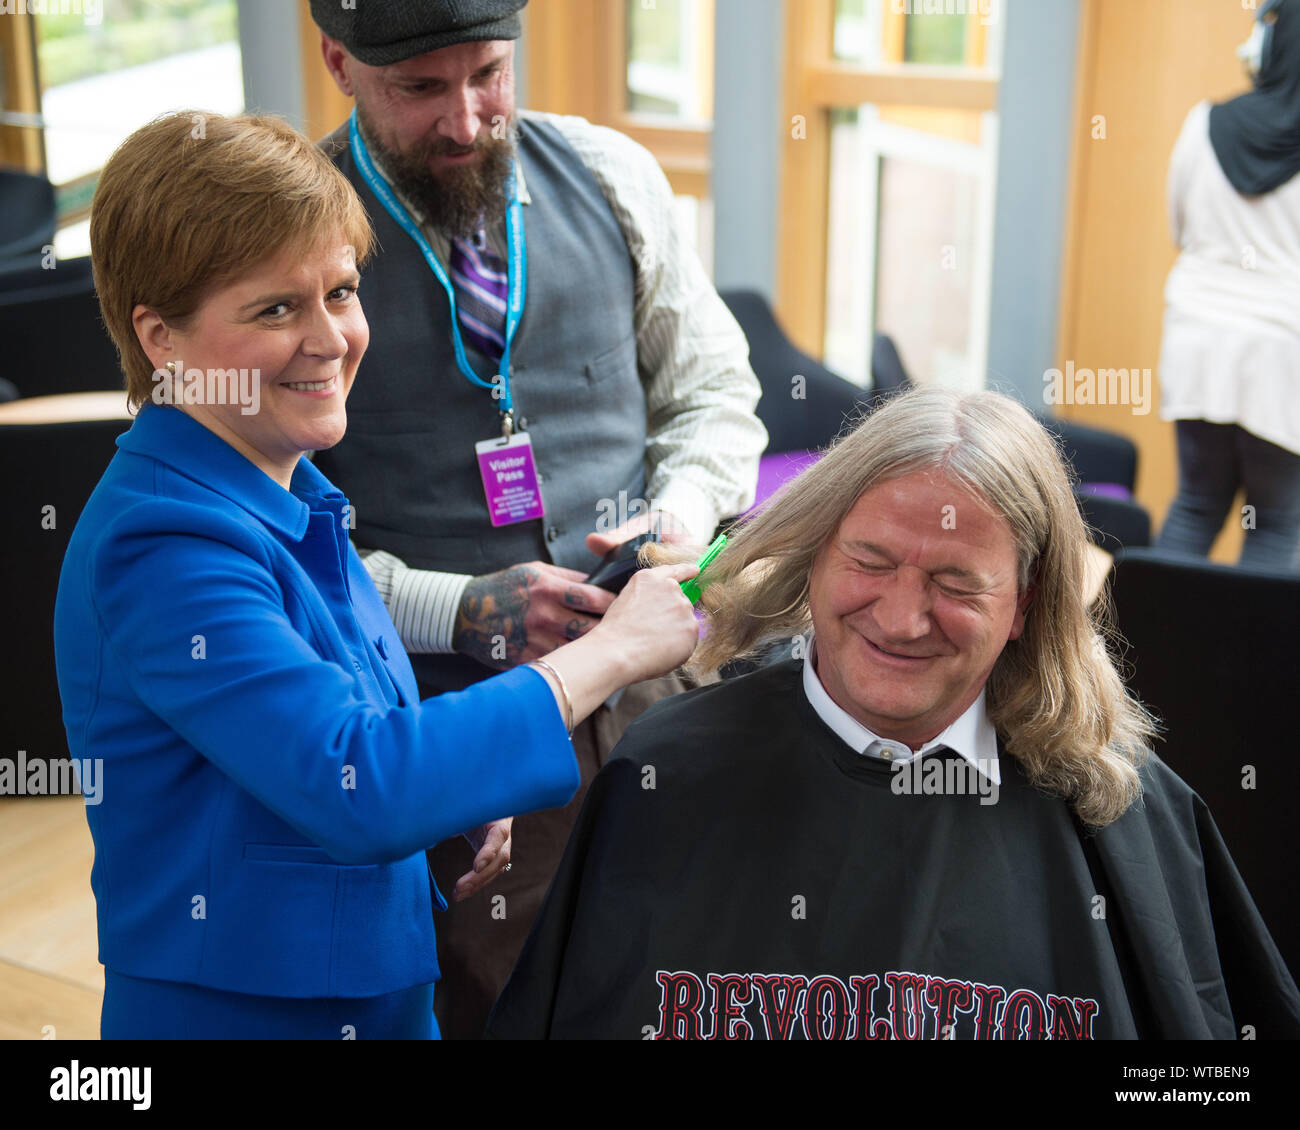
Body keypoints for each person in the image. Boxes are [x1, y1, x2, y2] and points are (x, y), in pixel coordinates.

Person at [52, 110, 701, 1039]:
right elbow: (356, 780)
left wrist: (447, 814)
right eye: (276, 308)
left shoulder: (292, 494)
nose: (331, 339)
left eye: (342, 292)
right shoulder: (162, 544)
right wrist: (613, 654)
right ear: (162, 340)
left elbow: (336, 747)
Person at [487, 386, 1300, 1040]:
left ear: (1025, 602)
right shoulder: (666, 770)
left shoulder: (1123, 805)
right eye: (870, 562)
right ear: (813, 557)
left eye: (954, 585)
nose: (902, 618)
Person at [306, 0, 768, 1037]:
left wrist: (681, 510)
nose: (465, 121)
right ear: (340, 61)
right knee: (505, 1002)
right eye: (419, 88)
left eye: (488, 76)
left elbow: (715, 394)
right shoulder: (289, 228)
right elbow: (276, 535)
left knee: (688, 973)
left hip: (660, 689)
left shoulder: (609, 173)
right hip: (450, 730)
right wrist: (452, 607)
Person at [1156, 0, 1300, 570]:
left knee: (1195, 505)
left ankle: (1145, 655)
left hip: (1198, 340)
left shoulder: (1202, 123)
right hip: (1281, 355)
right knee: (1274, 523)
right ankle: (1249, 663)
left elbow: (1178, 227)